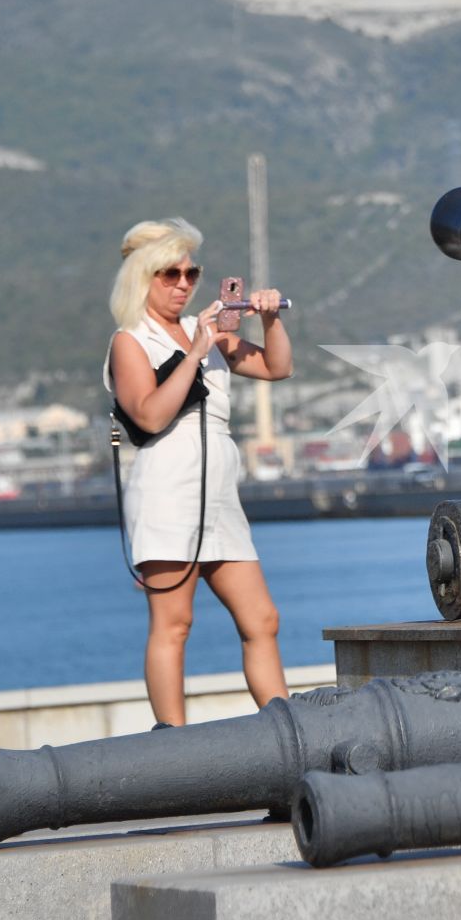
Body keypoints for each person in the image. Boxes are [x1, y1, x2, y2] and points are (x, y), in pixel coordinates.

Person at [104, 218, 294, 727]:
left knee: (262, 620)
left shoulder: (203, 328)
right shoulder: (131, 340)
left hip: (219, 494)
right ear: (143, 277)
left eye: (192, 272)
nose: (184, 284)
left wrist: (270, 319)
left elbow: (277, 369)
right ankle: (174, 740)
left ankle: (289, 729)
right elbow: (148, 414)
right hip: (167, 492)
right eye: (171, 273)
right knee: (174, 623)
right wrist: (197, 350)